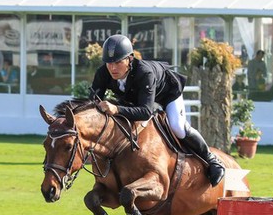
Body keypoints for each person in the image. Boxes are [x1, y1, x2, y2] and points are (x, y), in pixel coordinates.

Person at [90, 35, 225, 186]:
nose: (113, 68)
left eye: (118, 62)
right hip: (135, 98)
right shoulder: (103, 72)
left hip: (167, 94)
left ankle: (212, 160)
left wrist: (116, 108)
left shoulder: (144, 73)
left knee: (177, 127)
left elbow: (145, 112)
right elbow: (92, 102)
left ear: (129, 59)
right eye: (109, 63)